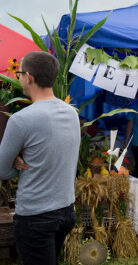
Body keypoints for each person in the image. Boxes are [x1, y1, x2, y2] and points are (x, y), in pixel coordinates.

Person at [0, 51, 80, 265]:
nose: (18, 77)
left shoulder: (21, 120)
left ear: (29, 77)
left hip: (36, 216)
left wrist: (19, 161)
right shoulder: (71, 113)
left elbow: (2, 170)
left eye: (18, 73)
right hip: (65, 210)